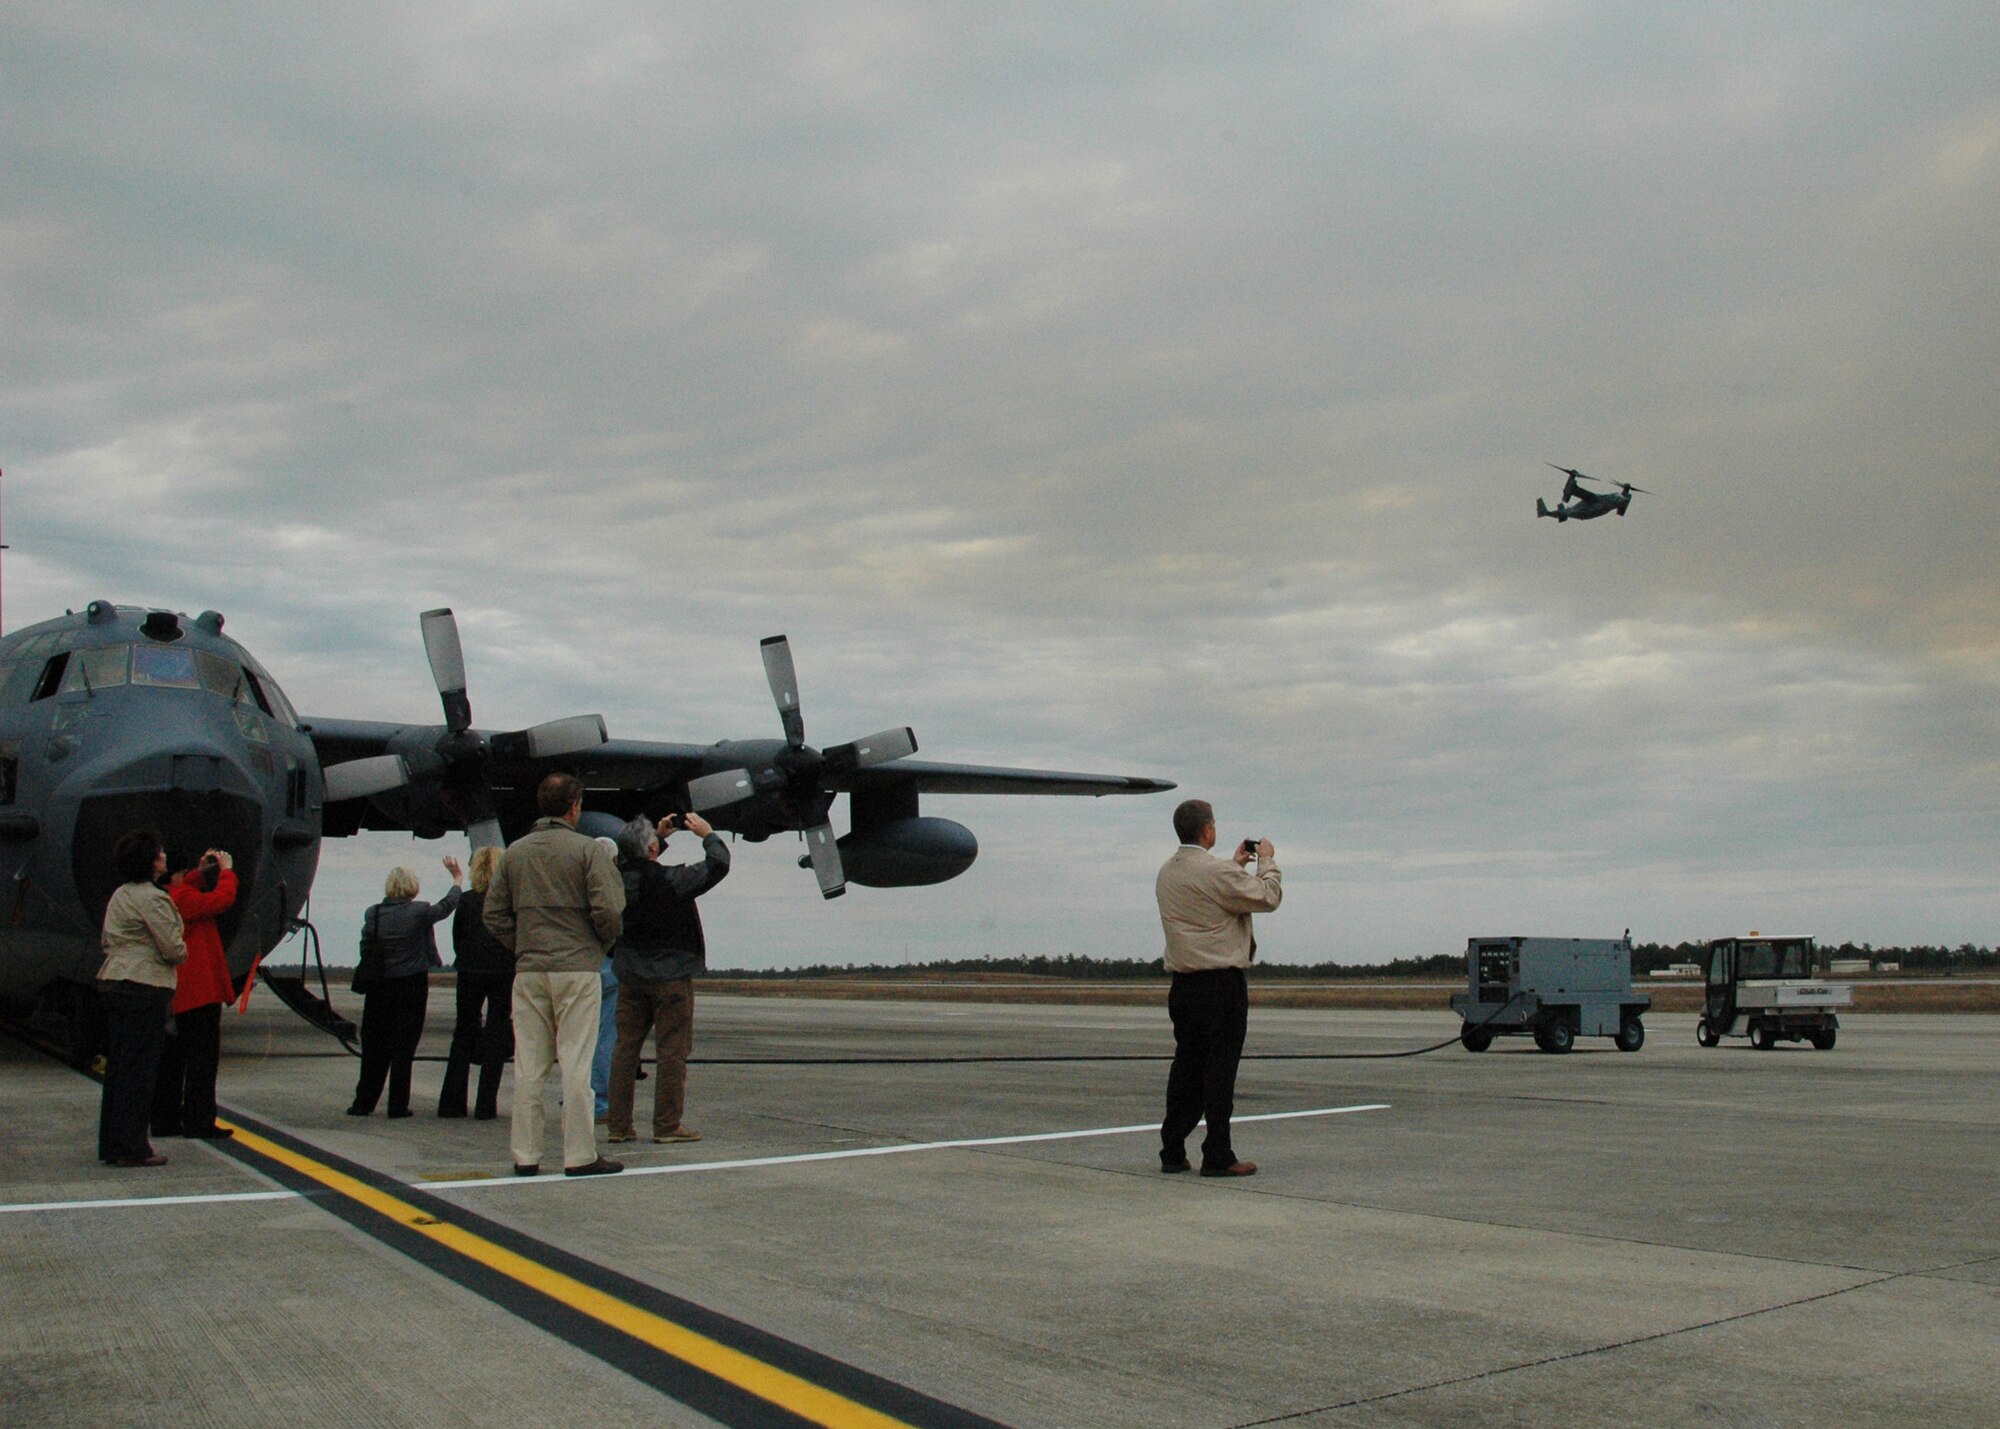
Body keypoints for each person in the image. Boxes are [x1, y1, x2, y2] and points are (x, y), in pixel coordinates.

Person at [485, 773, 625, 1177]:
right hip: (577, 969)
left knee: (529, 1067)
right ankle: (579, 1155)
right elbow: (610, 910)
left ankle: (525, 1155)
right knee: (577, 1064)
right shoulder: (587, 851)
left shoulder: (514, 852)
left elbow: (493, 913)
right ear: (575, 805)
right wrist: (597, 945)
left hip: (530, 971)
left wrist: (523, 945)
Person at [1155, 799, 1281, 1178]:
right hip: (1220, 985)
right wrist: (1267, 862)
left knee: (1186, 1068)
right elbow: (1267, 897)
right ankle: (1218, 1153)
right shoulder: (1216, 873)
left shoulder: (1166, 872)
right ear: (1207, 829)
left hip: (1183, 985)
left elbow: (1210, 889)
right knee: (1220, 1071)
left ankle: (1172, 1150)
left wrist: (1234, 864)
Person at [606, 811, 730, 1146]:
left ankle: (618, 1126)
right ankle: (666, 1125)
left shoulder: (614, 880)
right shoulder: (674, 880)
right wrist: (708, 834)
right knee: (672, 1050)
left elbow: (637, 863)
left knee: (625, 1049)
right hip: (671, 977)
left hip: (630, 976)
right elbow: (718, 864)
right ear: (650, 849)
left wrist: (658, 839)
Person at [347, 857, 463, 1119]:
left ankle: (363, 1102)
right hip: (411, 983)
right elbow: (447, 907)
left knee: (374, 1046)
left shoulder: (373, 913)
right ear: (412, 887)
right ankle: (397, 1105)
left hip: (379, 984)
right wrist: (456, 880)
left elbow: (366, 945)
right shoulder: (420, 911)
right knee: (404, 1047)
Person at [97, 829, 186, 1167]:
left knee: (119, 1069)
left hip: (114, 979)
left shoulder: (120, 894)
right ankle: (133, 1146)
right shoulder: (153, 897)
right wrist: (181, 948)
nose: (164, 856)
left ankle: (113, 1143)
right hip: (144, 984)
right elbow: (172, 948)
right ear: (151, 862)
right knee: (141, 1071)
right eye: (160, 853)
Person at [152, 848, 239, 1141]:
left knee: (171, 1059)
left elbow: (187, 888)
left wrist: (201, 873)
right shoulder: (182, 900)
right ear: (174, 875)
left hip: (176, 993)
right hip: (199, 991)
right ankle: (199, 1121)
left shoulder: (169, 897)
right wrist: (227, 871)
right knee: (202, 1061)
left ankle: (165, 1120)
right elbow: (221, 900)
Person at [438, 846, 513, 1121]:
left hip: (470, 970)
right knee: (497, 1031)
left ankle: (451, 1103)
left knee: (464, 1031)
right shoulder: (509, 902)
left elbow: (458, 938)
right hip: (503, 970)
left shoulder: (467, 901)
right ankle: (485, 1105)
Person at [589, 836, 622, 1123]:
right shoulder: (611, 883)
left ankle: (576, 1094)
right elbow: (612, 918)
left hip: (579, 964)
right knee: (606, 1037)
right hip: (608, 963)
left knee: (578, 1037)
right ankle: (599, 1103)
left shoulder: (575, 880)